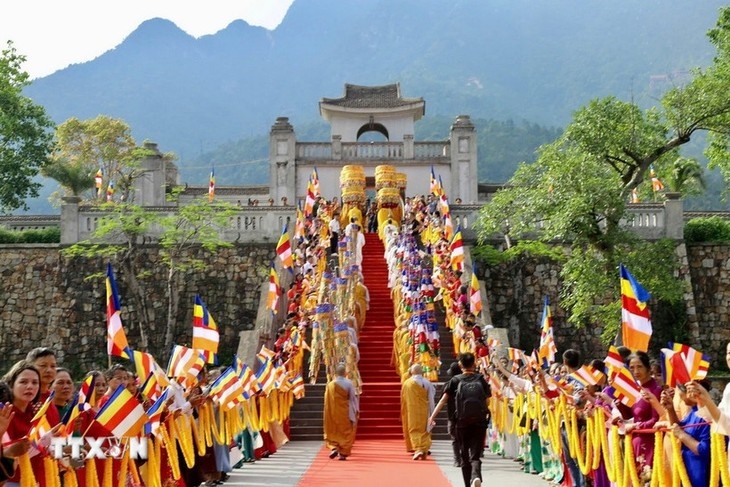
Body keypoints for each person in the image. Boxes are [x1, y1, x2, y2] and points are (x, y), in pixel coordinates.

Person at [429, 352, 491, 487]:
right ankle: (476, 476)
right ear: (474, 364)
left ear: (460, 364)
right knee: (475, 454)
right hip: (479, 422)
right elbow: (487, 401)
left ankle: (468, 484)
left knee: (464, 455)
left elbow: (443, 400)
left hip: (461, 422)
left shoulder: (455, 380)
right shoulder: (481, 379)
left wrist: (432, 416)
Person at [323, 364, 359, 460]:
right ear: (345, 373)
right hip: (345, 412)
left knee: (334, 430)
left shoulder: (330, 385)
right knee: (346, 431)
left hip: (333, 412)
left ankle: (334, 447)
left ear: (335, 373)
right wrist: (356, 409)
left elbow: (327, 401)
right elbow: (352, 397)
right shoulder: (349, 383)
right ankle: (343, 453)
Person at [400, 364, 436, 460]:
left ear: (411, 372)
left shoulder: (407, 383)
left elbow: (403, 399)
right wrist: (432, 413)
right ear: (422, 372)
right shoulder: (427, 382)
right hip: (425, 410)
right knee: (425, 430)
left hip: (411, 411)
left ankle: (418, 449)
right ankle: (424, 450)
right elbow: (431, 398)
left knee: (414, 429)